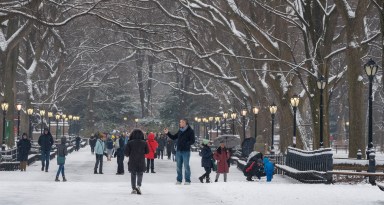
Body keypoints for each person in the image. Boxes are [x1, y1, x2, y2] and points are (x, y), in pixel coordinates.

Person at [164, 118, 195, 185]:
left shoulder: (190, 131)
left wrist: (186, 143)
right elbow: (173, 137)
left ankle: (187, 180)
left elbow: (192, 141)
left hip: (186, 151)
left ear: (185, 123)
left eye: (181, 122)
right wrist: (167, 133)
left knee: (186, 166)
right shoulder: (180, 131)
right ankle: (179, 180)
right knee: (178, 166)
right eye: (180, 122)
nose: (180, 123)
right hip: (179, 151)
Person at [125, 129, 149, 195]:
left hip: (132, 160)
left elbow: (126, 153)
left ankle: (133, 188)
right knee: (140, 174)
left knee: (133, 174)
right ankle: (138, 186)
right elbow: (147, 151)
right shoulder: (144, 142)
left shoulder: (130, 142)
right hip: (141, 160)